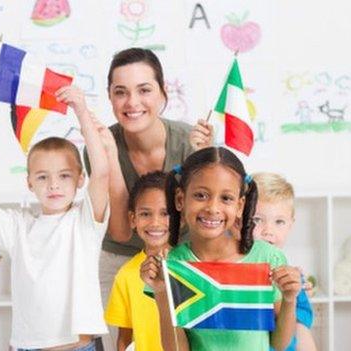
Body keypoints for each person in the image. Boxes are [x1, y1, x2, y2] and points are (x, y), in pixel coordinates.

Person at [0, 85, 109, 351]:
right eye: (43, 177)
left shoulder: (85, 221)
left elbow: (102, 172)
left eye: (64, 175)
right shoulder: (19, 225)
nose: (54, 185)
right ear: (30, 183)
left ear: (80, 179)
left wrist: (82, 112)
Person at [84, 47, 214, 351]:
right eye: (121, 92)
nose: (132, 102)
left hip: (178, 258)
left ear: (162, 92)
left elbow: (207, 218)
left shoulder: (188, 141)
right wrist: (110, 156)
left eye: (144, 89)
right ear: (109, 97)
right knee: (119, 341)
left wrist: (203, 158)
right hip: (119, 260)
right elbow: (120, 231)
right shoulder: (100, 146)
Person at [140, 147, 301, 351]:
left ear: (240, 206)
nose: (213, 208)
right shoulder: (171, 264)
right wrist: (162, 291)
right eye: (200, 195)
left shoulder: (268, 257)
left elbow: (279, 344)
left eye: (226, 198)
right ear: (180, 199)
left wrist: (289, 299)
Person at [104, 171, 170, 351]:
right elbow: (123, 340)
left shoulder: (191, 265)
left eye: (165, 213)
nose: (155, 222)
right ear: (133, 219)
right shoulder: (125, 275)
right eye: (145, 214)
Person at [252, 172, 317, 351]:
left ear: (291, 225)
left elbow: (302, 326)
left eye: (279, 222)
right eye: (257, 220)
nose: (268, 231)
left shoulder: (288, 271)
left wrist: (304, 287)